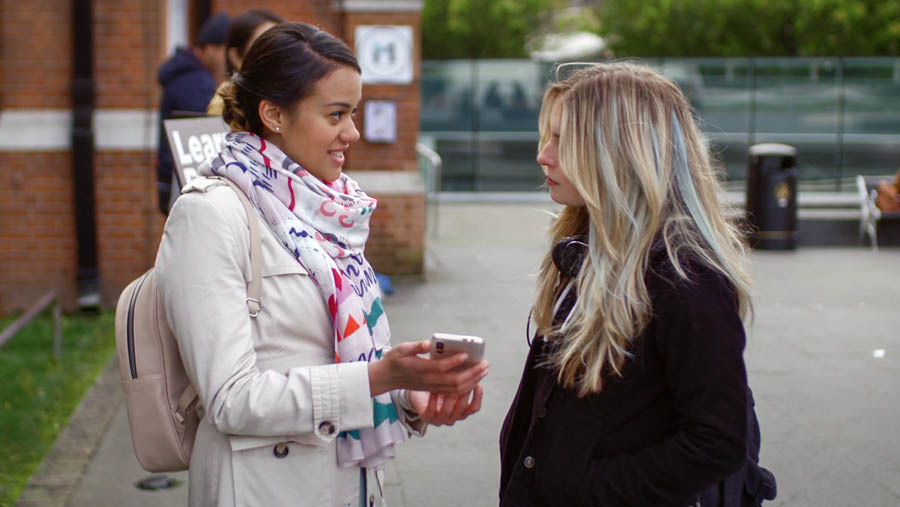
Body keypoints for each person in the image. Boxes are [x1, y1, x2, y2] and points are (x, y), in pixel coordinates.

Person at [154, 22, 487, 507]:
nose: (351, 132)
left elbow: (343, 356)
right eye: (336, 114)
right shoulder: (210, 213)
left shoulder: (326, 208)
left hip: (346, 486)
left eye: (353, 113)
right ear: (273, 114)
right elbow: (230, 399)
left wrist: (406, 395)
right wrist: (381, 378)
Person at [499, 62, 760, 506]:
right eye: (548, 136)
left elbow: (718, 441)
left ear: (618, 151)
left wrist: (581, 489)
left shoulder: (685, 278)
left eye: (563, 140)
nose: (544, 154)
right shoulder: (587, 248)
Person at [156, 12, 231, 215]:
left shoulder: (187, 75)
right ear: (211, 49)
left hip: (172, 181)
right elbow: (206, 134)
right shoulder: (196, 83)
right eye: (227, 51)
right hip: (184, 184)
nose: (229, 60)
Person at [207, 8, 283, 115]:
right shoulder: (225, 105)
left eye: (281, 45)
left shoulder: (299, 94)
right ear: (236, 57)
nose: (275, 54)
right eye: (263, 47)